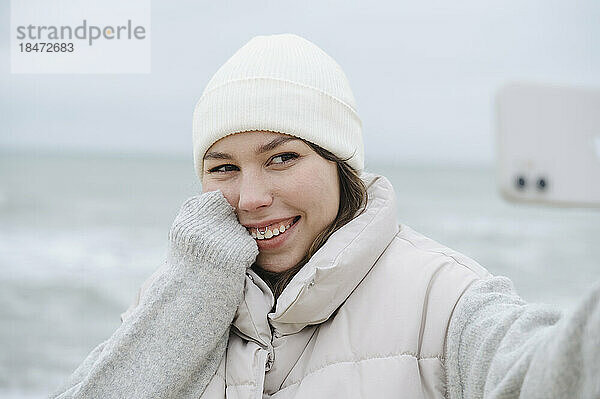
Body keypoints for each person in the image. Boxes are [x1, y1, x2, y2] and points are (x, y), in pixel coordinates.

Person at [50, 34, 600, 399]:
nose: (250, 197)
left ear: (340, 165)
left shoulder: (444, 295)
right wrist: (191, 296)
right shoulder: (178, 295)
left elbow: (539, 372)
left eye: (282, 157)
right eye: (223, 167)